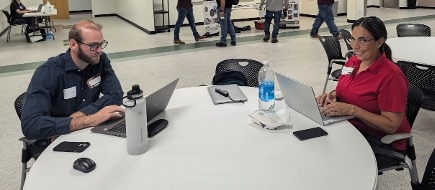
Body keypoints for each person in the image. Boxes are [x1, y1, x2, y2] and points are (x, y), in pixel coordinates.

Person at [316, 16, 410, 169]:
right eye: (352, 39)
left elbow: (391, 126)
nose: (355, 46)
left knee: (328, 160)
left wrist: (353, 110)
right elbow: (348, 89)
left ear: (380, 41)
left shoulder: (391, 76)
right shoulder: (353, 61)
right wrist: (332, 95)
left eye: (363, 40)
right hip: (350, 126)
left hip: (381, 141)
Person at [21, 20, 125, 141]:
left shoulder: (99, 60)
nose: (100, 50)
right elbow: (31, 126)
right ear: (73, 44)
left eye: (101, 44)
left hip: (88, 131)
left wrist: (81, 116)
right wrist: (91, 119)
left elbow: (116, 93)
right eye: (93, 46)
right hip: (58, 136)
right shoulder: (47, 72)